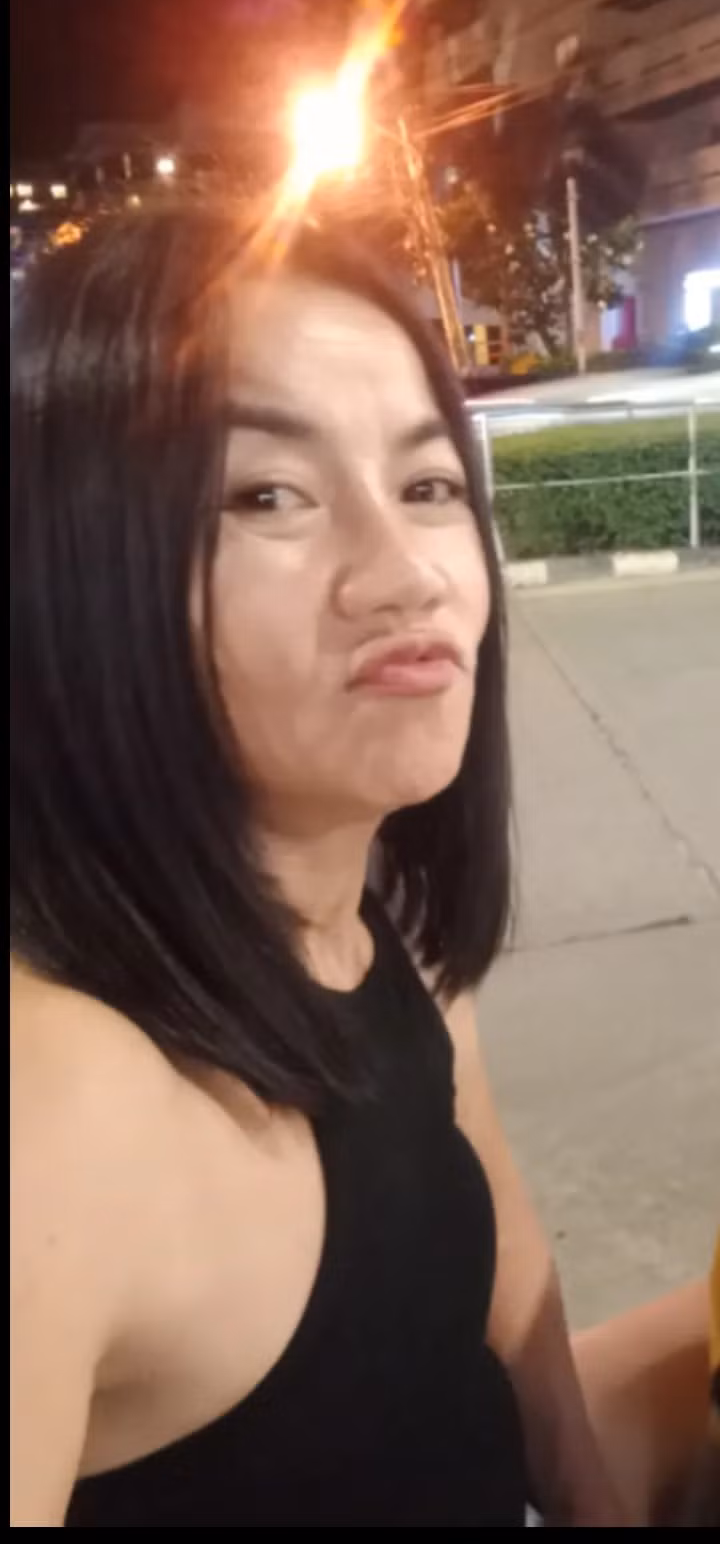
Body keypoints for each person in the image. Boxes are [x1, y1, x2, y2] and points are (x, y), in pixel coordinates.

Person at [10, 205, 625, 1528]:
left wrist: (599, 1503)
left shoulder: (380, 912)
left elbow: (494, 1244)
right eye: (265, 495)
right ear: (73, 566)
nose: (403, 575)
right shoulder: (55, 1103)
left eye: (428, 486)